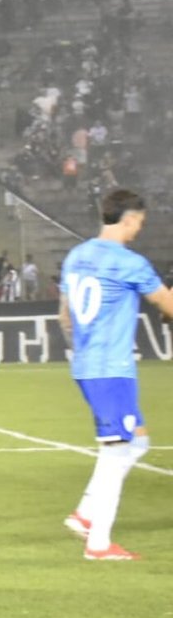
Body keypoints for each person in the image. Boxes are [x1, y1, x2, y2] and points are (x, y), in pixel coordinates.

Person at [58, 190, 173, 560]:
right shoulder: (129, 262)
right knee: (116, 449)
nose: (140, 229)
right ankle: (99, 544)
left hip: (86, 365)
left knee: (137, 441)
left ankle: (85, 514)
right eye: (140, 222)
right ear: (129, 218)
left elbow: (65, 317)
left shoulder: (76, 256)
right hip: (112, 368)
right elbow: (167, 304)